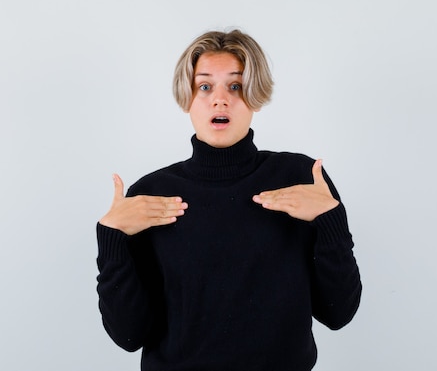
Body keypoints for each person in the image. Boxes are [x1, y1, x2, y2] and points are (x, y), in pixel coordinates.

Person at [96, 29, 362, 371]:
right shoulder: (151, 196)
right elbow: (129, 336)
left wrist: (331, 222)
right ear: (187, 96)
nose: (219, 99)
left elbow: (337, 313)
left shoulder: (301, 178)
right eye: (205, 86)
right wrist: (112, 237)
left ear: (254, 94)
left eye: (235, 86)